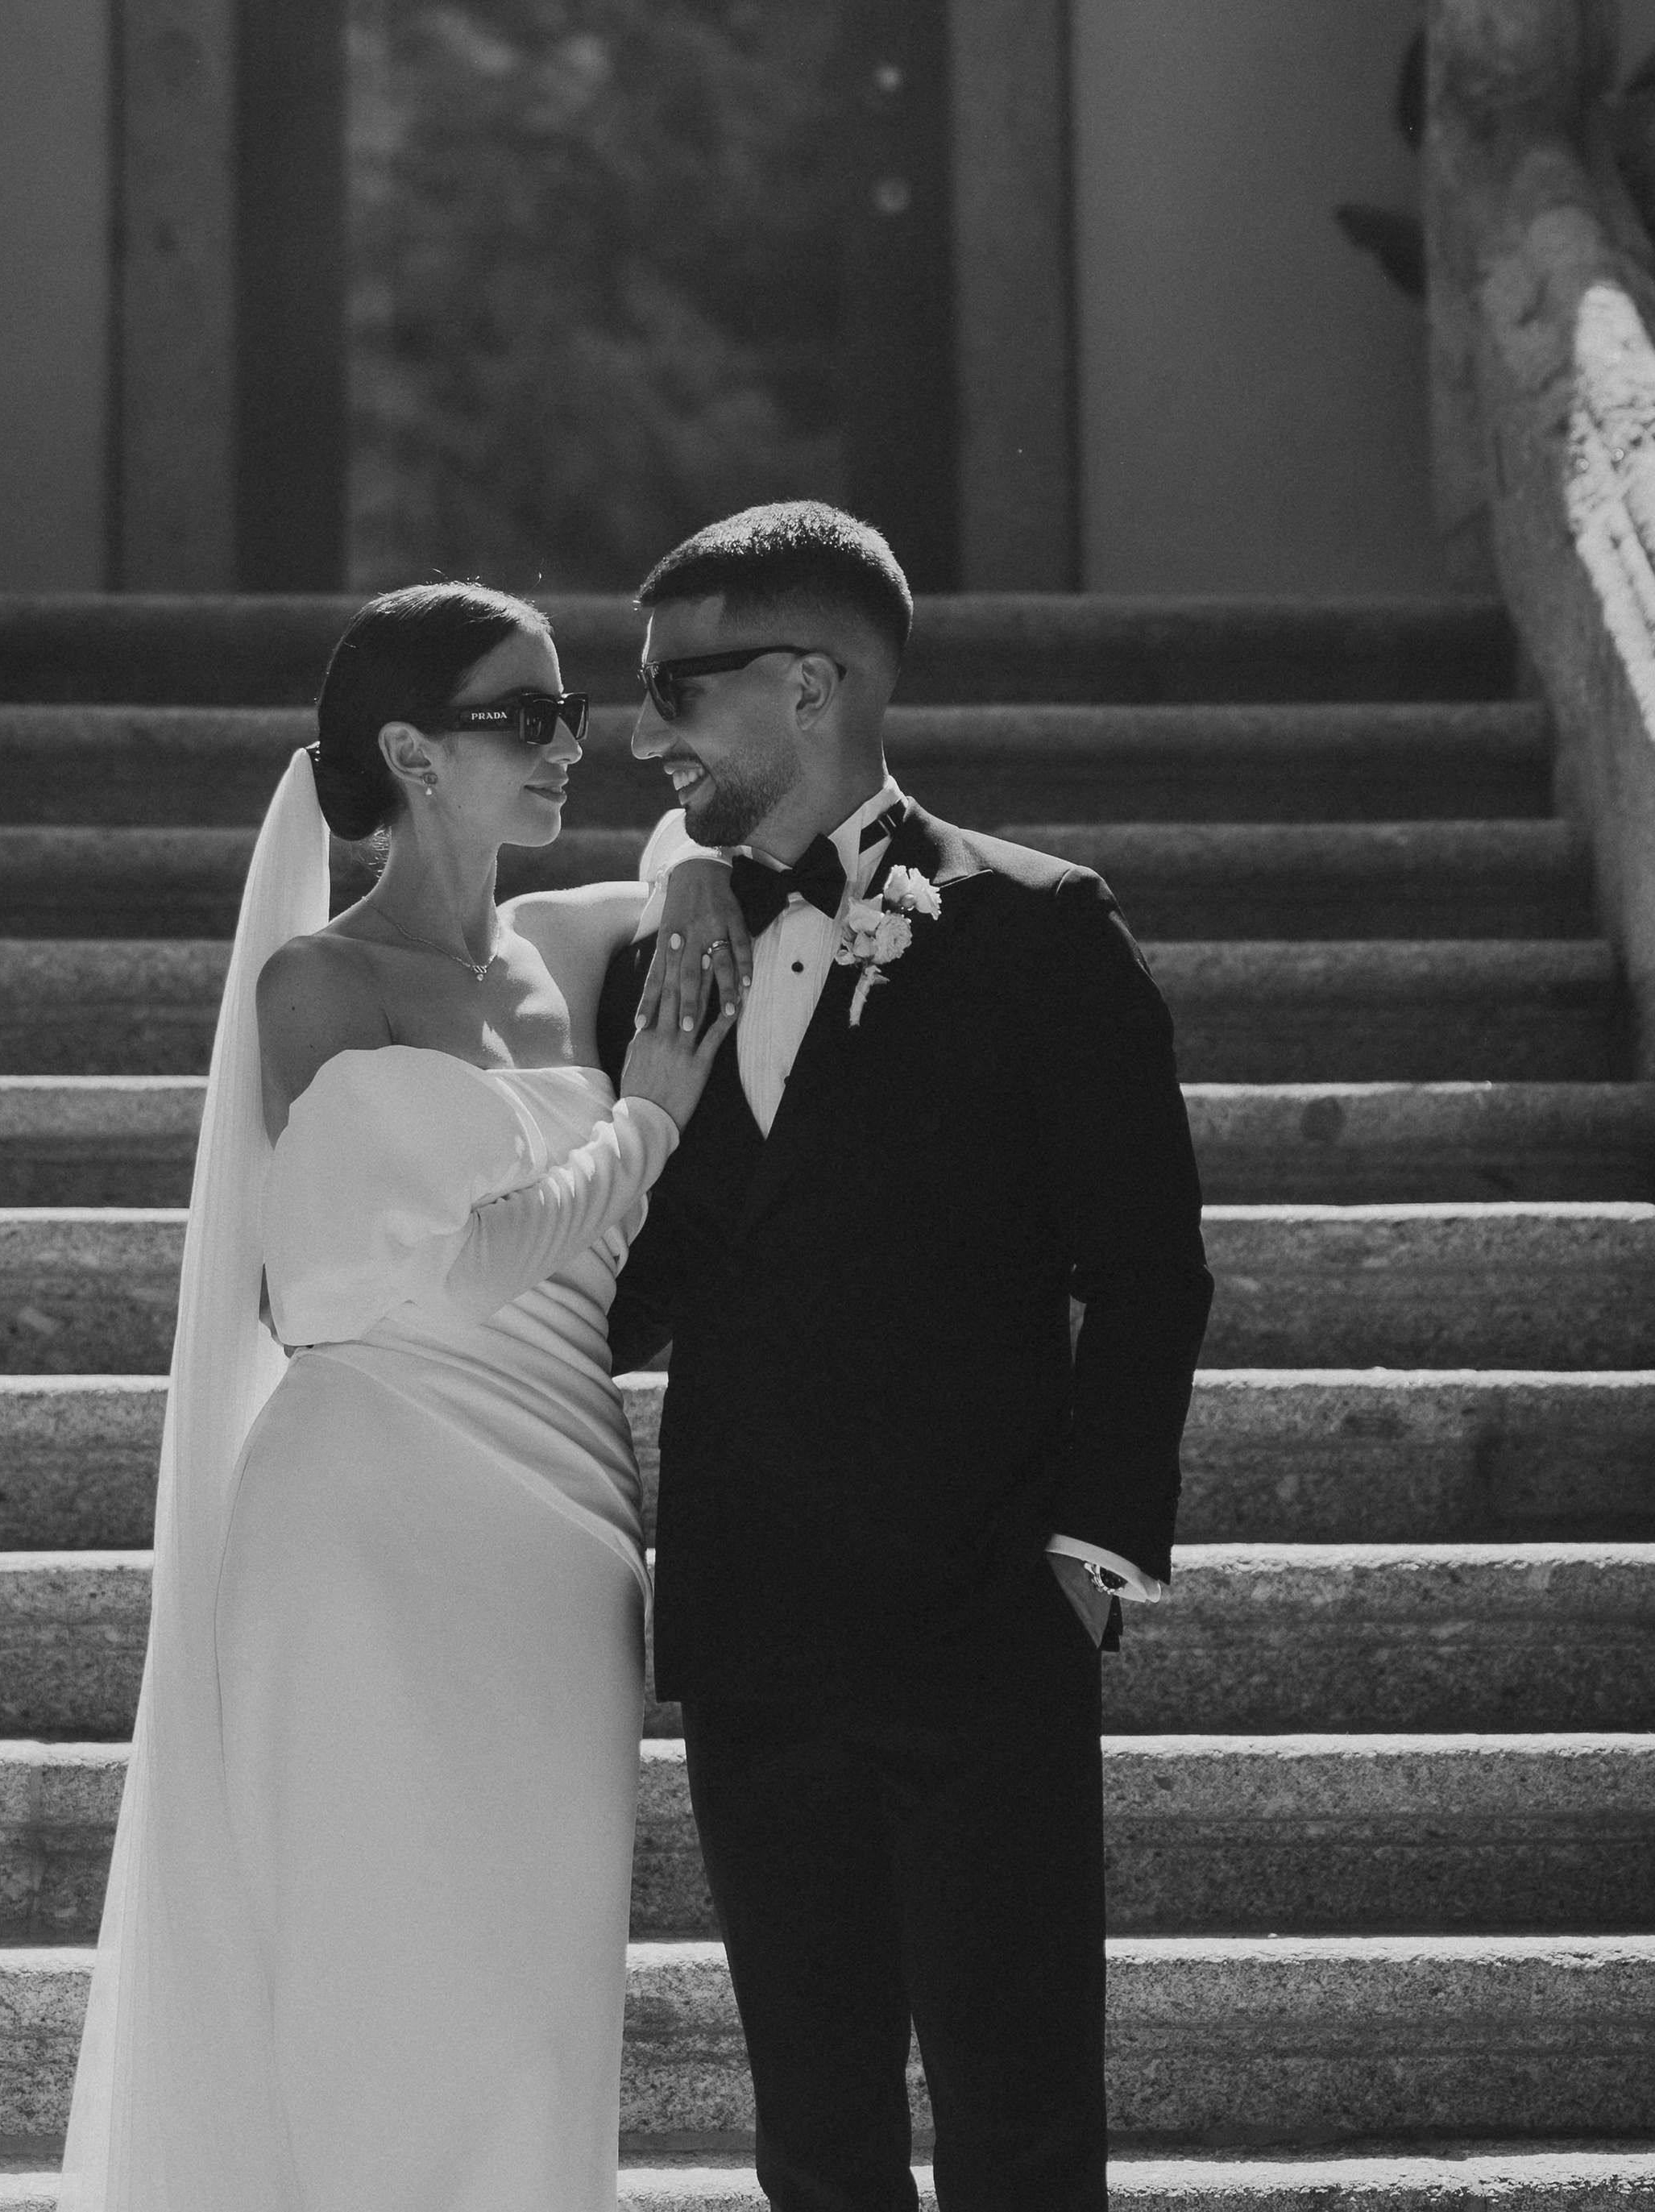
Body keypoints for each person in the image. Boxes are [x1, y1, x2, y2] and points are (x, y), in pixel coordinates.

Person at [58, 582, 747, 2212]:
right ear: (410, 755)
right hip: (365, 1532)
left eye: (573, 713)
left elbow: (672, 867)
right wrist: (642, 1125)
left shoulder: (562, 946)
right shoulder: (317, 989)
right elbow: (421, 1274)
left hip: (564, 1555)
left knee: (539, 2012)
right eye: (526, 717)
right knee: (383, 1998)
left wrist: (699, 859)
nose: (570, 744)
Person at [597, 501, 1215, 2212]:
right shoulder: (663, 960)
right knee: (811, 2134)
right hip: (751, 1633)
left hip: (983, 1630)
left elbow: (1149, 1271)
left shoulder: (1040, 932)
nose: (639, 729)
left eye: (675, 688)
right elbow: (637, 1296)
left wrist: (1087, 1559)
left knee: (1020, 2132)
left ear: (808, 684)